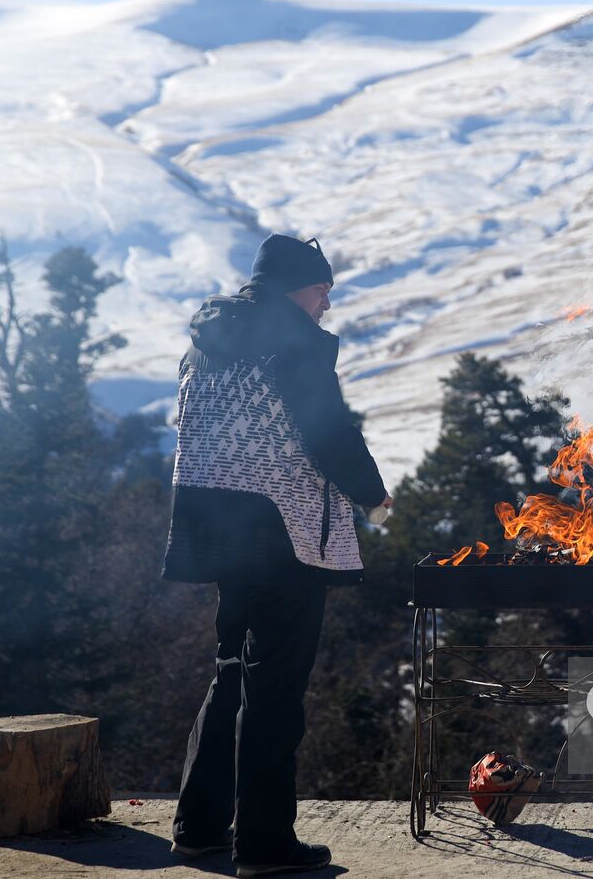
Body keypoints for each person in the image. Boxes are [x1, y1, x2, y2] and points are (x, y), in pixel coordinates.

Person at [162, 233, 390, 878]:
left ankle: (199, 829)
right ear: (297, 286)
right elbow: (326, 432)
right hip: (281, 530)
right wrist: (374, 499)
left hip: (216, 525)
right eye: (323, 290)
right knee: (276, 688)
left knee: (230, 669)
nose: (326, 305)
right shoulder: (292, 340)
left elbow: (189, 425)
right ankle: (264, 846)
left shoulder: (205, 340)